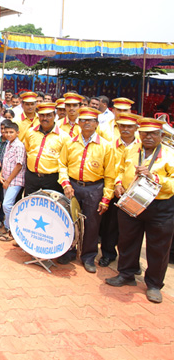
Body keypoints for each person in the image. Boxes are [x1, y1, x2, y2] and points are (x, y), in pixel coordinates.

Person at [106, 118, 174, 304]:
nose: (148, 137)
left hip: (159, 206)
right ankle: (126, 273)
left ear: (161, 135)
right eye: (144, 133)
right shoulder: (131, 150)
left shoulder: (169, 154)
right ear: (139, 134)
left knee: (158, 247)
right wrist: (118, 184)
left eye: (153, 133)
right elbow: (119, 170)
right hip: (132, 200)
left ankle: (154, 284)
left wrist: (154, 177)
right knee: (127, 239)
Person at [58, 107, 115, 273]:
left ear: (97, 123)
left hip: (94, 188)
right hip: (73, 186)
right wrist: (66, 183)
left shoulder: (105, 146)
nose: (86, 123)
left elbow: (110, 175)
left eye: (91, 120)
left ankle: (88, 256)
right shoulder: (70, 142)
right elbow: (62, 165)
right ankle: (69, 250)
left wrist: (106, 198)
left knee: (92, 224)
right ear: (78, 123)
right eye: (83, 120)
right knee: (70, 220)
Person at [99, 112, 141, 268]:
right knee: (110, 226)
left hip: (133, 193)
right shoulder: (110, 145)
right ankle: (108, 254)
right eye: (122, 126)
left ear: (136, 128)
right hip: (113, 190)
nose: (125, 129)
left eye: (129, 126)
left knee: (133, 230)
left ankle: (132, 262)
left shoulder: (141, 148)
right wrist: (116, 184)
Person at [23, 102, 69, 194]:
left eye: (48, 115)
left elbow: (65, 161)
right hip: (32, 178)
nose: (45, 118)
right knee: (31, 206)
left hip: (52, 179)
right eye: (42, 115)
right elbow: (28, 151)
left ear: (55, 115)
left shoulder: (64, 136)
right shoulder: (30, 132)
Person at [0, 120, 25, 242]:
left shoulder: (19, 146)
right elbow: (6, 161)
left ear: (17, 133)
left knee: (7, 205)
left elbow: (19, 165)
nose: (8, 134)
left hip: (15, 180)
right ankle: (7, 227)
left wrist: (8, 180)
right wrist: (1, 174)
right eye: (6, 132)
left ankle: (12, 230)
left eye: (11, 132)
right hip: (6, 178)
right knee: (6, 204)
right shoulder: (8, 143)